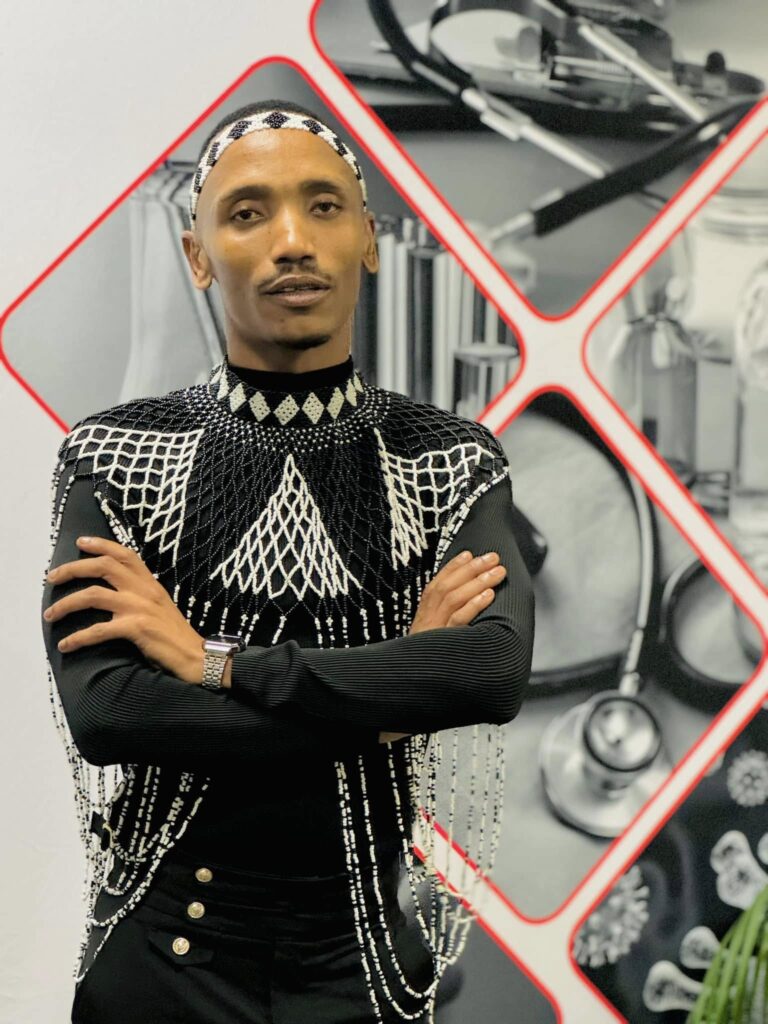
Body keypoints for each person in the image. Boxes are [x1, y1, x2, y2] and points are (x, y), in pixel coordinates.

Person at [40, 98, 535, 1024]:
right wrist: (390, 700)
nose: (293, 242)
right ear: (197, 255)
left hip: (365, 965)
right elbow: (111, 711)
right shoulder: (117, 455)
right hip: (163, 966)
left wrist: (212, 662)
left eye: (324, 206)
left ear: (369, 239)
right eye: (247, 212)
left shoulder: (447, 460)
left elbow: (489, 670)